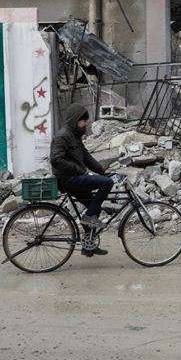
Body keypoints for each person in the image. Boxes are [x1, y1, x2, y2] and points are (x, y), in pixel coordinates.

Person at [51, 103, 113, 257]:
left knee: (94, 206)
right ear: (75, 120)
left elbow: (86, 157)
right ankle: (89, 217)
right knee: (107, 183)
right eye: (84, 120)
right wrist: (76, 169)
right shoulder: (62, 136)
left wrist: (102, 171)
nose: (86, 124)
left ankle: (88, 245)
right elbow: (55, 160)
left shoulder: (75, 136)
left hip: (74, 178)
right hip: (68, 180)